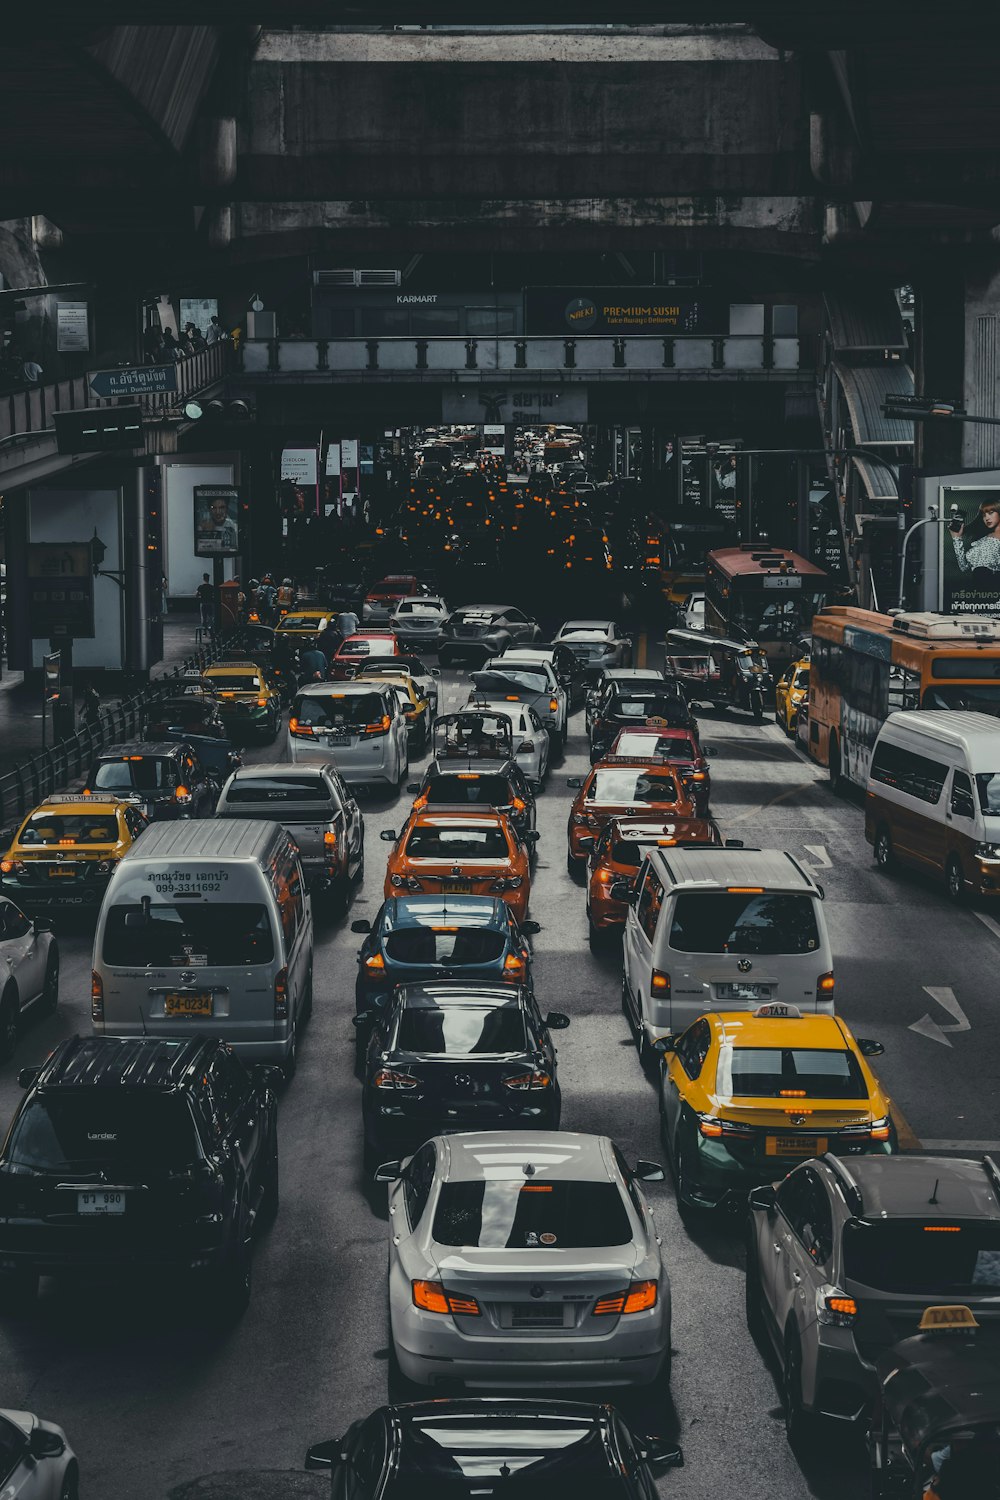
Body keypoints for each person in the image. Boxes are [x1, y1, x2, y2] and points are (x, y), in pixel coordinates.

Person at [951, 500, 1000, 589]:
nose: (987, 518)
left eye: (991, 513)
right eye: (984, 515)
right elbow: (964, 567)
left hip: (993, 586)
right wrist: (956, 538)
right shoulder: (983, 539)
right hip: (977, 588)